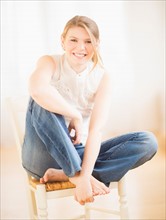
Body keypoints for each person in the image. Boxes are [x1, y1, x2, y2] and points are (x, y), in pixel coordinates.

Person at [22, 15, 158, 205]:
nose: (81, 47)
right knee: (41, 101)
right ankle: (76, 174)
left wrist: (85, 173)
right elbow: (37, 89)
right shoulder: (49, 62)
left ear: (97, 44)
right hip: (41, 157)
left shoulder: (103, 77)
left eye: (88, 42)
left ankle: (69, 173)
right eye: (74, 40)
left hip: (76, 153)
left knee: (147, 142)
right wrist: (73, 114)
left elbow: (95, 131)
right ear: (63, 41)